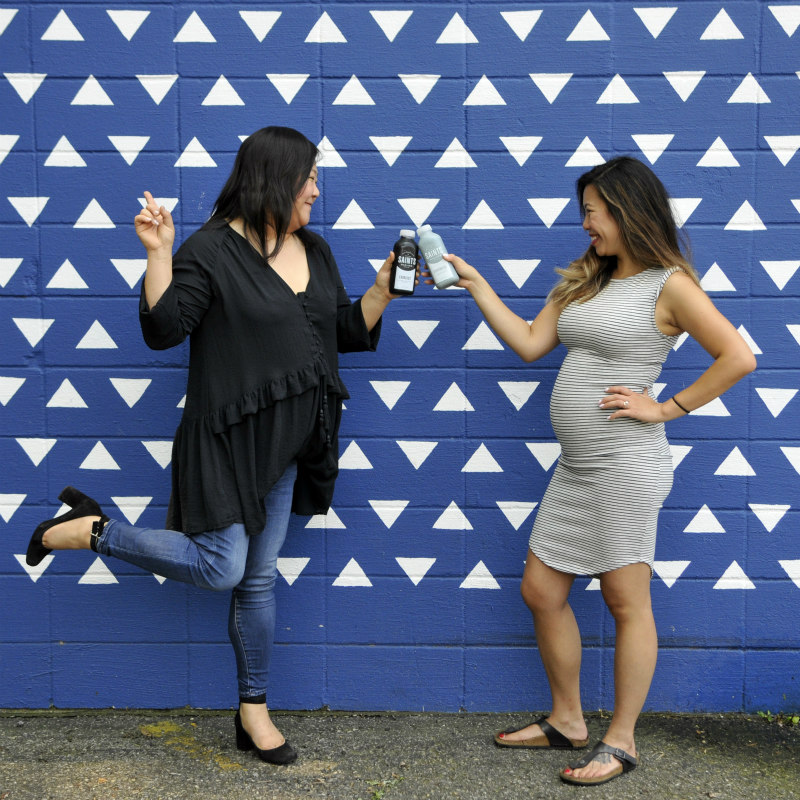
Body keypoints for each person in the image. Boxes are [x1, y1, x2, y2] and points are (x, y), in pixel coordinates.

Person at [26, 125, 409, 765]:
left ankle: (253, 712)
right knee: (222, 566)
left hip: (293, 442)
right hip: (228, 439)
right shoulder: (208, 249)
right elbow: (165, 328)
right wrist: (159, 252)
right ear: (274, 178)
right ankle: (89, 530)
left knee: (258, 580)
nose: (316, 189)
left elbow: (337, 332)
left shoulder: (314, 250)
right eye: (308, 177)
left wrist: (382, 290)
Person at [438, 157, 756, 786]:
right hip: (577, 467)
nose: (584, 223)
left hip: (627, 466)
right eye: (584, 211)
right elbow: (531, 343)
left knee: (623, 598)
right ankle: (568, 721)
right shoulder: (585, 280)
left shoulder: (670, 285)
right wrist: (477, 286)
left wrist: (664, 406)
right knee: (541, 589)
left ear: (626, 211)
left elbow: (738, 356)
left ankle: (621, 740)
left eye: (592, 211)